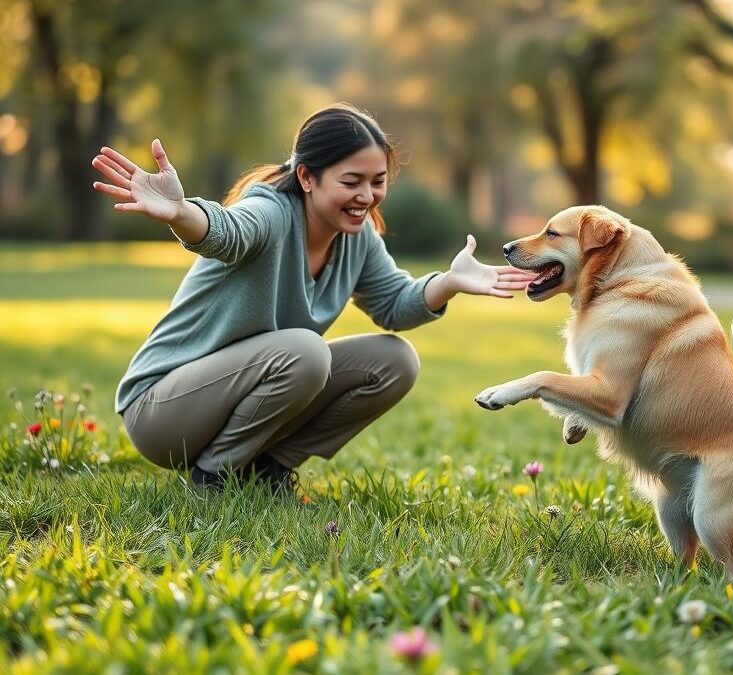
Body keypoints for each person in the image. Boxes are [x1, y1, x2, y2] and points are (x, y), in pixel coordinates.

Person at [92, 103, 535, 495]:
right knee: (305, 351)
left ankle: (270, 469)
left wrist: (450, 282)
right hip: (164, 412)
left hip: (238, 391)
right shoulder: (270, 212)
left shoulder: (356, 238)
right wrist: (181, 212)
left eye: (377, 181)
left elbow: (395, 304)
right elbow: (227, 232)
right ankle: (215, 476)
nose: (367, 196)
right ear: (306, 176)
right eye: (352, 181)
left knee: (395, 361)